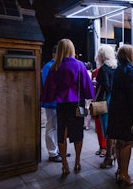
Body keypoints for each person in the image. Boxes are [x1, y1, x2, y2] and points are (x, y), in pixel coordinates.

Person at [41, 39, 95, 175]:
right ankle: (77, 161)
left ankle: (64, 164)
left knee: (62, 133)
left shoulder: (55, 67)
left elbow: (49, 90)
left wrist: (48, 99)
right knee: (78, 133)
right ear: (72, 49)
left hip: (62, 105)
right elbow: (87, 87)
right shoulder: (80, 65)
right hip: (79, 105)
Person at [107, 44, 133, 186]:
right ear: (128, 55)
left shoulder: (117, 71)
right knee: (128, 142)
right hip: (128, 113)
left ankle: (119, 170)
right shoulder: (131, 72)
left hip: (116, 111)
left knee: (119, 141)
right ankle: (124, 174)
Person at [94, 45, 118, 169]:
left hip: (106, 101)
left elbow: (105, 87)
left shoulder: (103, 69)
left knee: (107, 130)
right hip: (116, 101)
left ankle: (108, 157)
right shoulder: (115, 67)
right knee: (113, 129)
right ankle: (113, 154)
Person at [41, 45, 61, 162]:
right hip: (51, 101)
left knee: (55, 127)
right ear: (54, 54)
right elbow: (48, 86)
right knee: (51, 127)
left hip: (55, 101)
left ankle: (56, 150)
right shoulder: (49, 67)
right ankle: (52, 153)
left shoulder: (52, 66)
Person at [84, 62, 93, 130]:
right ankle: (87, 125)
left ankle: (84, 123)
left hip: (83, 93)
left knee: (84, 107)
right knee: (88, 108)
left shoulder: (83, 73)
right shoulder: (90, 74)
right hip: (89, 93)